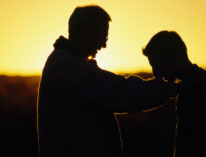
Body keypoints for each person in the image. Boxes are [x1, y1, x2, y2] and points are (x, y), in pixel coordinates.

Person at [37, 5, 178, 157]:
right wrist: (172, 88)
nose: (104, 45)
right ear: (84, 32)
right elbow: (121, 91)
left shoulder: (67, 63)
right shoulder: (66, 66)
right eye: (101, 37)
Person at [143, 31, 206, 157]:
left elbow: (191, 142)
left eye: (156, 65)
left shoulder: (195, 86)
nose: (155, 73)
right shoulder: (201, 80)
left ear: (173, 56)